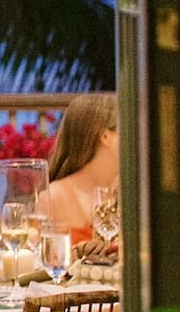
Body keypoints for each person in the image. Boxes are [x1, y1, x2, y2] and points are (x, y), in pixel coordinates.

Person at [34, 93, 122, 241]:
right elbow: (43, 260)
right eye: (126, 131)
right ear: (105, 136)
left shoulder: (131, 194)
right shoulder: (54, 198)